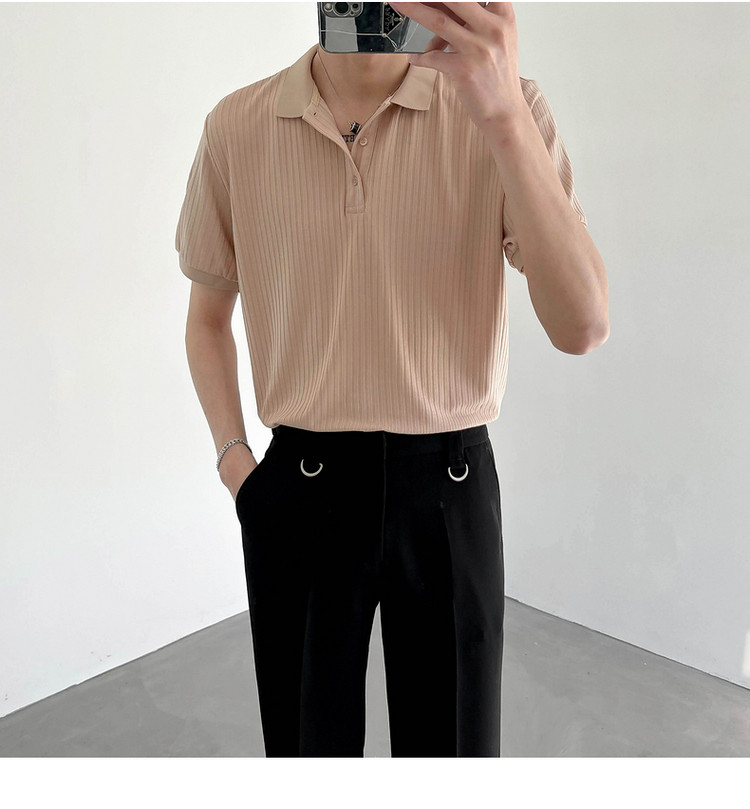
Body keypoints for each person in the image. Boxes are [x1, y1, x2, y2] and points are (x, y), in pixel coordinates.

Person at [175, 3, 608, 757]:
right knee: (306, 752)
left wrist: (504, 115)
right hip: (300, 484)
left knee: (453, 754)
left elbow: (583, 327)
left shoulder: (506, 106)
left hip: (449, 477)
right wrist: (236, 465)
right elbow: (207, 316)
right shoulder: (237, 125)